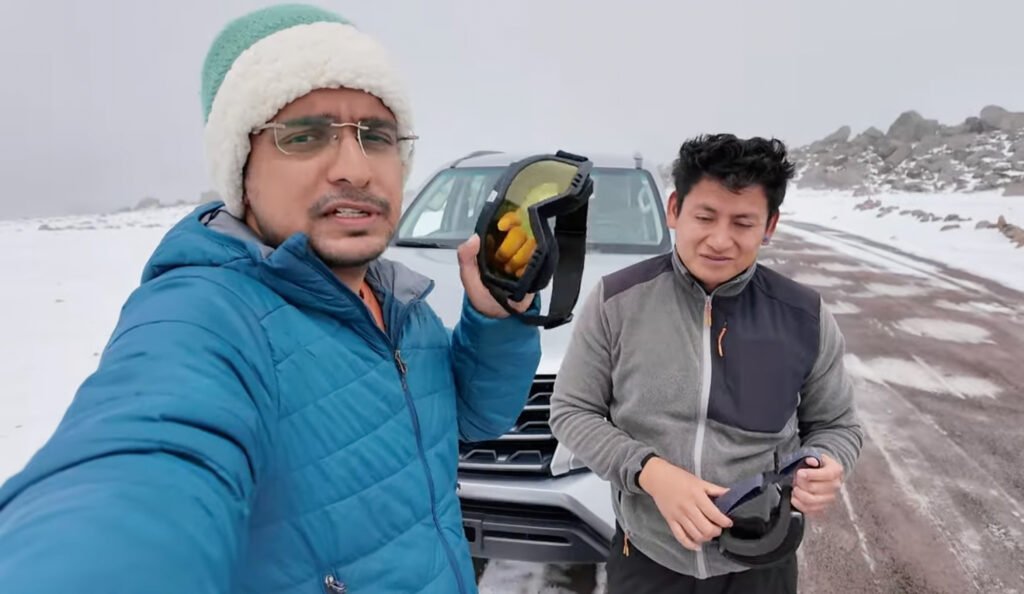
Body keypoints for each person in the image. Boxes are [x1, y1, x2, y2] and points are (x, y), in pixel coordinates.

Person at [0, 5, 542, 594]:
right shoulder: (207, 317)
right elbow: (131, 479)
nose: (356, 169)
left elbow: (476, 419)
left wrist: (494, 320)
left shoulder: (399, 302)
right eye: (304, 135)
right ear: (240, 173)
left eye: (376, 135)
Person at [549, 133, 863, 593]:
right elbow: (571, 411)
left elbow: (838, 424)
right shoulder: (616, 302)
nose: (720, 240)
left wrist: (826, 461)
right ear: (674, 209)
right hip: (648, 555)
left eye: (743, 222)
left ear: (770, 225)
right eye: (705, 217)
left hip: (762, 558)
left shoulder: (805, 315)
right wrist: (651, 473)